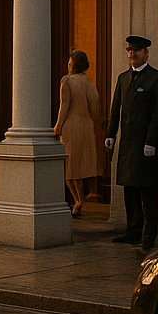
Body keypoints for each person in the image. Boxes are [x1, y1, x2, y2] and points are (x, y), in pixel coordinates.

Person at [104, 35, 158, 251]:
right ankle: (133, 230)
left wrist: (151, 141)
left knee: (147, 189)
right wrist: (110, 135)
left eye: (137, 50)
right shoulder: (123, 78)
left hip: (146, 143)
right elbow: (115, 109)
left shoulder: (156, 78)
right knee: (129, 188)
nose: (132, 53)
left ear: (146, 53)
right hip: (128, 142)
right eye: (130, 50)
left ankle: (149, 234)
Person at [53, 49, 100, 217]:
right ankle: (80, 200)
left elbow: (64, 104)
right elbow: (94, 109)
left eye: (70, 61)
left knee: (70, 168)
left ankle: (78, 200)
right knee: (79, 166)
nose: (68, 63)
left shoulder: (67, 81)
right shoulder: (89, 83)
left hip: (71, 126)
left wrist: (57, 126)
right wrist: (96, 128)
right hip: (86, 126)